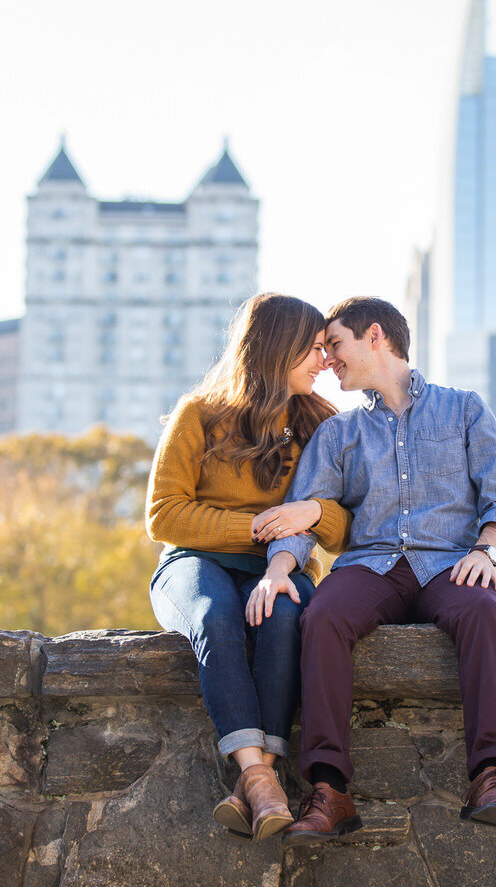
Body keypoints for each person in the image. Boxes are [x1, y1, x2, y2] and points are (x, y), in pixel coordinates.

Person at [263, 296, 496, 842]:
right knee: (324, 615)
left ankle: (492, 777)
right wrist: (281, 568)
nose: (329, 359)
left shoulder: (465, 409)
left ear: (375, 336)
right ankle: (330, 791)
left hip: (451, 563)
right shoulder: (338, 433)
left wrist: (487, 551)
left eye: (335, 345)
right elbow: (302, 516)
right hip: (370, 566)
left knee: (483, 608)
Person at [146, 292, 350, 841]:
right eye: (312, 348)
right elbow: (164, 516)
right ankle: (262, 776)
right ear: (276, 348)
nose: (324, 360)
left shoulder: (321, 425)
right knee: (216, 616)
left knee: (284, 619)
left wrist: (309, 514)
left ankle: (255, 785)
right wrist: (262, 525)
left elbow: (347, 524)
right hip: (194, 562)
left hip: (282, 569)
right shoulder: (199, 415)